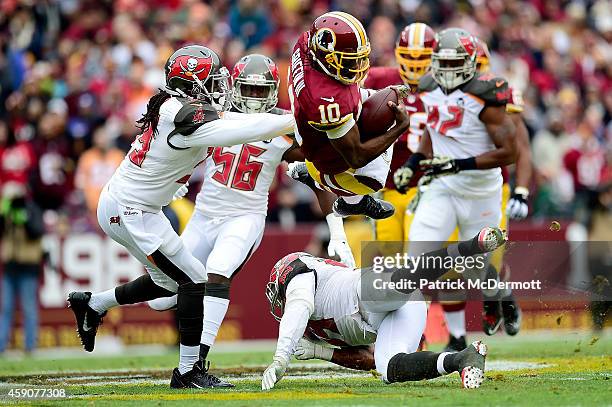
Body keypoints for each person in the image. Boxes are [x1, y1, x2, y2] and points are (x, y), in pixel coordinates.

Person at [67, 45, 295, 389]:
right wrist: (297, 118)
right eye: (212, 80)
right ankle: (188, 372)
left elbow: (227, 121)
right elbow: (236, 130)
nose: (219, 87)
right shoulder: (185, 119)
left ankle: (94, 303)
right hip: (130, 210)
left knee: (167, 288)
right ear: (194, 83)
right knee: (193, 281)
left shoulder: (178, 107)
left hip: (140, 206)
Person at [144, 54, 352, 387]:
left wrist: (336, 231)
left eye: (261, 92)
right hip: (203, 216)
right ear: (234, 88)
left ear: (273, 92)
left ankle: (195, 365)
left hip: (243, 218)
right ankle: (98, 303)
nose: (255, 99)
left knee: (218, 271)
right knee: (161, 296)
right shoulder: (215, 116)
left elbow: (320, 172)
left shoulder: (283, 127)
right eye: (248, 90)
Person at [260, 227, 507, 391]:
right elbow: (367, 359)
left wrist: (281, 357)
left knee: (399, 283)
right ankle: (463, 359)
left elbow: (299, 307)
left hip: (362, 289)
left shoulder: (300, 277)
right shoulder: (312, 329)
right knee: (388, 368)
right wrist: (319, 352)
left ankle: (472, 246)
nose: (281, 300)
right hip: (395, 313)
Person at [393, 28, 517, 350]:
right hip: (443, 188)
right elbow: (434, 129)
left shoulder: (486, 94)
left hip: (481, 193)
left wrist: (460, 164)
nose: (446, 72)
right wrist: (413, 162)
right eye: (442, 64)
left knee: (476, 272)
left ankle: (499, 293)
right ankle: (408, 344)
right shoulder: (428, 85)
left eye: (455, 64)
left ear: (471, 63)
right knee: (415, 265)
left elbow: (510, 152)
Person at [287, 11, 410, 220]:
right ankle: (326, 183)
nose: (357, 66)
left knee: (380, 99)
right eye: (349, 61)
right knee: (373, 177)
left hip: (312, 112)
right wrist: (399, 128)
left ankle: (323, 179)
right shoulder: (326, 101)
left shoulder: (308, 41)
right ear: (326, 56)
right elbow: (357, 156)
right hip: (322, 145)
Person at [363, 22, 435, 243]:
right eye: (409, 56)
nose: (414, 63)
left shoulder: (444, 86)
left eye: (421, 57)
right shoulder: (378, 79)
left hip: (428, 187)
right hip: (387, 186)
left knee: (419, 255)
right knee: (389, 253)